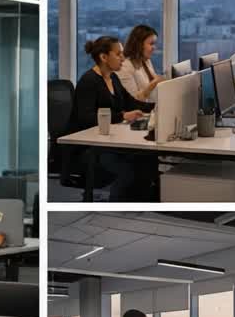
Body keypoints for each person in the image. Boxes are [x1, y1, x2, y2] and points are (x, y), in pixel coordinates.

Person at [71, 36, 156, 202]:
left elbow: (131, 102)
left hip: (108, 141)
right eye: (118, 54)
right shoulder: (88, 81)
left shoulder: (113, 77)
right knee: (128, 169)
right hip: (89, 146)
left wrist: (157, 107)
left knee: (147, 159)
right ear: (104, 57)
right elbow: (86, 118)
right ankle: (115, 208)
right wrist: (122, 116)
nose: (123, 58)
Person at [116, 25, 165, 102]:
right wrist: (153, 84)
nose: (154, 47)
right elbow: (132, 101)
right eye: (151, 44)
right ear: (139, 44)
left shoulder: (146, 61)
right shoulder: (124, 67)